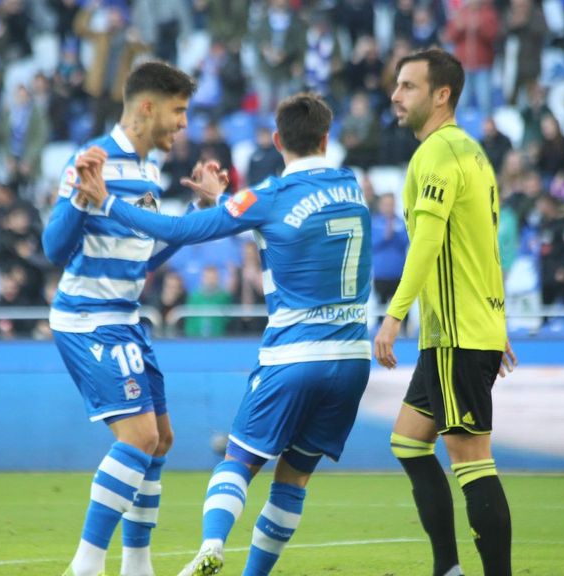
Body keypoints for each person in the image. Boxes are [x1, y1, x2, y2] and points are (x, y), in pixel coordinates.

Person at [75, 92, 372, 576]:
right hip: (353, 358)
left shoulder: (268, 197)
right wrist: (228, 203)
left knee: (238, 460)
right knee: (293, 479)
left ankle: (212, 545)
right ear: (326, 138)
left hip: (293, 357)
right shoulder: (351, 185)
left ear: (277, 141)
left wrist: (108, 202)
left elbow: (184, 228)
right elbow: (290, 220)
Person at [41, 61, 203, 576]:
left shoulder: (147, 171)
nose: (183, 124)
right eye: (178, 112)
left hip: (125, 317)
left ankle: (137, 565)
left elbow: (140, 259)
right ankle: (85, 566)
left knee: (162, 438)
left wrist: (185, 222)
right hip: (88, 319)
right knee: (137, 438)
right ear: (148, 108)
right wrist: (77, 197)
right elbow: (53, 247)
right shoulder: (95, 159)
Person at [373, 49, 517, 576]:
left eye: (408, 86)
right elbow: (487, 246)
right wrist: (496, 324)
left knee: (472, 460)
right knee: (408, 441)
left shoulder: (436, 154)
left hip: (456, 335)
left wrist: (393, 316)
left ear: (442, 95)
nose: (396, 94)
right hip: (457, 333)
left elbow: (428, 242)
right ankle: (447, 569)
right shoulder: (473, 154)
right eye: (397, 84)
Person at [371, 193, 409, 309]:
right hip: (381, 277)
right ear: (381, 205)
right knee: (380, 312)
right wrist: (385, 236)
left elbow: (406, 242)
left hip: (399, 276)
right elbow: (371, 244)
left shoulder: (402, 223)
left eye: (391, 204)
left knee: (400, 311)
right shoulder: (374, 222)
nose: (389, 207)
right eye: (386, 204)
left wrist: (395, 234)